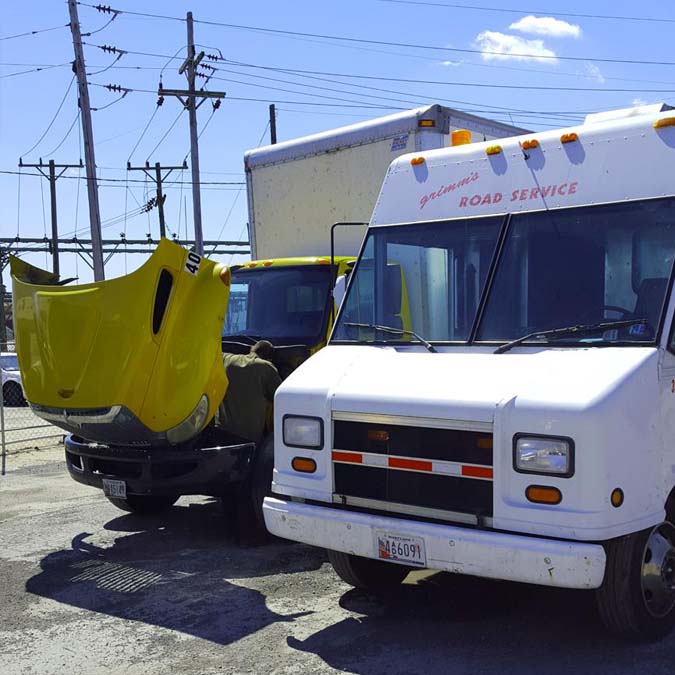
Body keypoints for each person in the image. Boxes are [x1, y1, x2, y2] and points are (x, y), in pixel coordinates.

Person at [217, 340, 281, 444]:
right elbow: (278, 397)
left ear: (251, 349)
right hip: (250, 435)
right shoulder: (267, 367)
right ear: (269, 357)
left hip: (223, 431)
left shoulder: (227, 359)